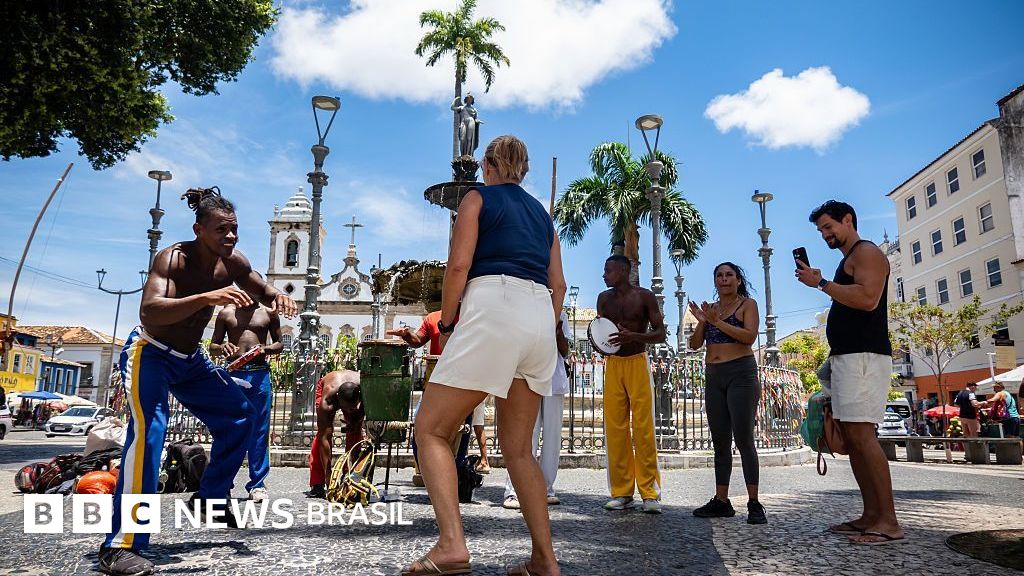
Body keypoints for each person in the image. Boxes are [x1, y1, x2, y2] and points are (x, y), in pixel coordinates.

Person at [98, 187, 297, 576]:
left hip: (190, 362)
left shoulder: (232, 262)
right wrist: (207, 298)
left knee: (241, 417)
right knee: (150, 434)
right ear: (199, 229)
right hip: (150, 353)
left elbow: (259, 284)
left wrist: (278, 297)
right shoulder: (172, 259)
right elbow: (151, 312)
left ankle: (209, 499)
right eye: (222, 230)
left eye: (235, 229)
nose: (231, 237)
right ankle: (120, 546)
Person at [402, 135, 566, 576]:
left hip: (494, 305)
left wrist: (451, 321)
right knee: (518, 450)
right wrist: (541, 329)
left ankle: (452, 544)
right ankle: (544, 561)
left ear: (488, 165)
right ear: (525, 169)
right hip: (538, 319)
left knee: (432, 429)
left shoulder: (476, 199)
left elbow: (458, 267)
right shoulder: (542, 215)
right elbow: (561, 286)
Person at [796, 200, 903, 545]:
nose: (825, 234)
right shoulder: (848, 260)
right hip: (848, 358)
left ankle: (888, 521)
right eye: (821, 230)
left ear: (848, 220)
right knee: (855, 441)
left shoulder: (867, 253)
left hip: (864, 358)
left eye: (829, 227)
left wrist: (822, 283)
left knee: (863, 438)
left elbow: (869, 298)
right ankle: (870, 515)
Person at [687, 262, 766, 525]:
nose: (724, 279)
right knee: (720, 440)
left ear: (738, 280)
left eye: (729, 275)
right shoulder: (712, 309)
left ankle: (754, 503)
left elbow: (749, 337)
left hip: (740, 373)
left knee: (744, 439)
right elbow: (695, 345)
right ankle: (722, 501)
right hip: (714, 375)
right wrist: (703, 322)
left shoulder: (747, 305)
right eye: (719, 275)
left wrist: (717, 322)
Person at [597, 254, 667, 514]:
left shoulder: (644, 296)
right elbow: (600, 334)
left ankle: (650, 493)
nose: (604, 275)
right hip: (614, 365)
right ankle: (622, 492)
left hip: (638, 360)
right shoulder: (603, 299)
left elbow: (660, 334)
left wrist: (633, 336)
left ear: (624, 271)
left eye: (608, 270)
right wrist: (600, 345)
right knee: (615, 428)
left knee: (643, 427)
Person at [209, 281, 283, 502]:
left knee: (260, 430)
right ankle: (223, 483)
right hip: (233, 373)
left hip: (259, 374)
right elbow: (213, 344)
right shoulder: (225, 313)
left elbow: (279, 343)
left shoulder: (268, 313)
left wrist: (265, 349)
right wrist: (222, 348)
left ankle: (257, 484)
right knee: (227, 428)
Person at [386, 311, 474, 486]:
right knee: (420, 429)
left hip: (464, 382)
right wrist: (407, 335)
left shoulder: (471, 313)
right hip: (435, 381)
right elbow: (418, 340)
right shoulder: (433, 317)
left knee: (462, 432)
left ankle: (455, 477)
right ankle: (431, 475)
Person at [503, 311, 571, 510]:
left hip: (553, 379)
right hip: (527, 375)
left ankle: (547, 488)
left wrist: (558, 333)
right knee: (523, 435)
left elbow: (565, 351)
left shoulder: (561, 314)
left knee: (552, 436)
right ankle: (514, 491)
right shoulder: (524, 307)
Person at [306, 370, 366, 498]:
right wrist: (329, 476)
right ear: (338, 399)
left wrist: (355, 421)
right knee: (322, 435)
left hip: (355, 394)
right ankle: (318, 482)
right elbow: (325, 438)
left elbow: (359, 420)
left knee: (355, 432)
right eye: (346, 408)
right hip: (328, 385)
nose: (349, 411)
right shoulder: (327, 400)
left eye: (352, 408)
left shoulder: (364, 393)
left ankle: (350, 475)